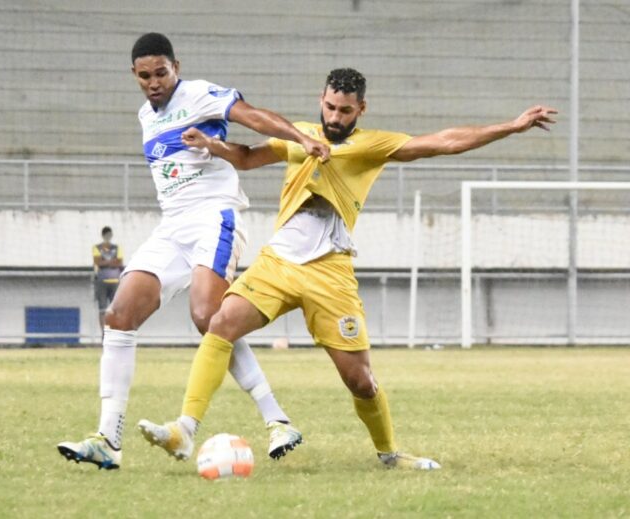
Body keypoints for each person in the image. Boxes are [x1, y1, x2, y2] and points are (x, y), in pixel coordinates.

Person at [138, 68, 557, 469]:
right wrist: (214, 147)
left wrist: (511, 126)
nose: (335, 117)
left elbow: (444, 141)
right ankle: (185, 428)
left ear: (361, 110)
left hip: (330, 272)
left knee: (360, 382)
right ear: (322, 100)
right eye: (330, 107)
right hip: (278, 262)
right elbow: (247, 158)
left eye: (345, 111)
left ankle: (390, 453)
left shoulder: (372, 146)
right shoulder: (299, 136)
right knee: (220, 324)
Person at [56, 33, 330, 470]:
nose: (153, 82)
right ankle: (108, 438)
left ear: (176, 67)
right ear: (135, 76)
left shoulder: (199, 94)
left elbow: (253, 116)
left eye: (161, 73)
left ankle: (277, 419)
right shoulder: (145, 116)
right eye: (144, 76)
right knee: (118, 316)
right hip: (172, 228)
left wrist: (300, 137)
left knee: (207, 317)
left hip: (214, 218)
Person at [93, 226, 124, 332]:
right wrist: (112, 262)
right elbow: (98, 262)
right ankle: (104, 333)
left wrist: (105, 263)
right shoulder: (97, 247)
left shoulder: (117, 247)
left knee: (114, 309)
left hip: (114, 280)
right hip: (102, 281)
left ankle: (113, 331)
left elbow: (119, 262)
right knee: (102, 309)